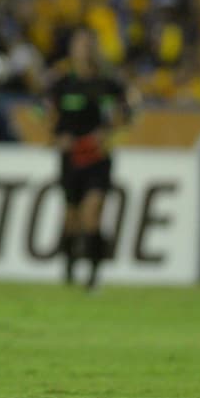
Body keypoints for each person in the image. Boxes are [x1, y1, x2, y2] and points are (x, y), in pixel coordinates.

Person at [45, 27, 136, 291]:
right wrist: (56, 137)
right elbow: (42, 113)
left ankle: (94, 276)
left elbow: (128, 114)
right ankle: (70, 266)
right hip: (70, 157)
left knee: (92, 213)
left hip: (97, 158)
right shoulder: (62, 82)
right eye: (78, 43)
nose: (83, 49)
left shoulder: (109, 83)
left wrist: (109, 133)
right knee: (72, 216)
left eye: (87, 44)